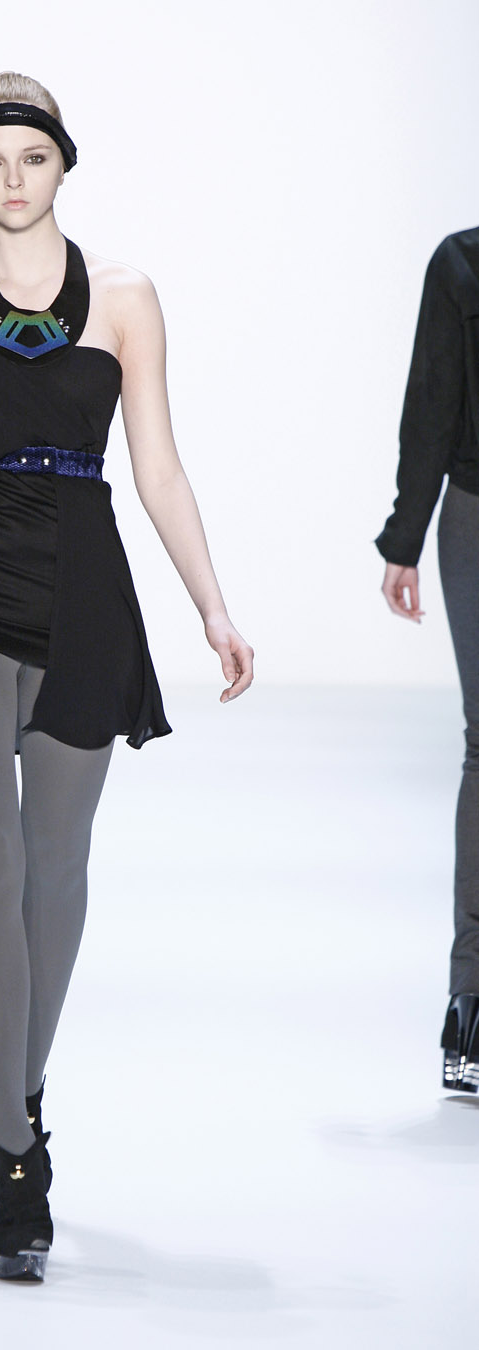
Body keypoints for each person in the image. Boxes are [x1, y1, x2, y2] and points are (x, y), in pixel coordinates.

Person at [0, 71, 254, 1281]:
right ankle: (13, 1157)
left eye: (31, 157)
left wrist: (212, 605)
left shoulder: (127, 297)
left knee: (58, 863)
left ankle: (22, 1089)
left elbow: (160, 467)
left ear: (62, 165)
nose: (13, 178)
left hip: (83, 584)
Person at [376, 225, 479, 1093]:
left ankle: (471, 1006)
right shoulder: (461, 263)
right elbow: (434, 403)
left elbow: (431, 405)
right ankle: (472, 999)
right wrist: (405, 536)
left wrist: (406, 538)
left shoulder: (464, 262)